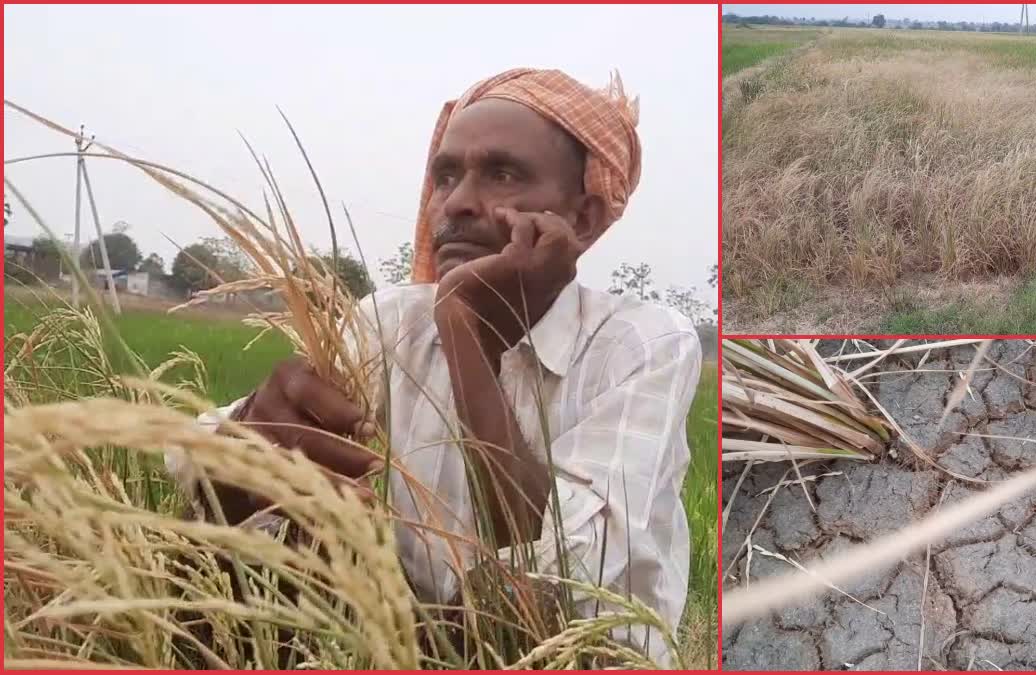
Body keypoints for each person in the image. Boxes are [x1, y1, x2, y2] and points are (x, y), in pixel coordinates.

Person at [169, 68, 701, 665]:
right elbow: (190, 453)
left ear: (581, 219)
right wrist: (247, 448)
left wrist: (462, 328)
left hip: (572, 656)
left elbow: (555, 578)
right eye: (446, 175)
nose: (456, 203)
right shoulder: (390, 320)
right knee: (213, 552)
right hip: (413, 646)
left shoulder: (642, 343)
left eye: (502, 174)